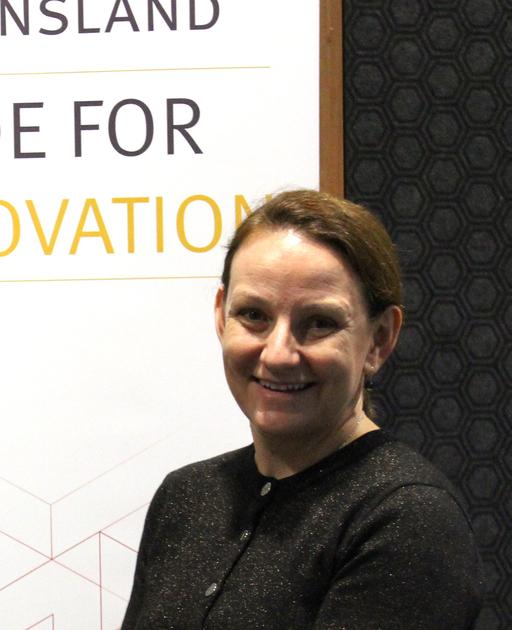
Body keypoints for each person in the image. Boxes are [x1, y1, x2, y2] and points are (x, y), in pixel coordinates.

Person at [121, 190, 482, 629]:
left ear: (380, 339)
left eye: (319, 323)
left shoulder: (407, 520)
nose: (278, 354)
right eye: (253, 315)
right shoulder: (186, 498)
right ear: (221, 316)